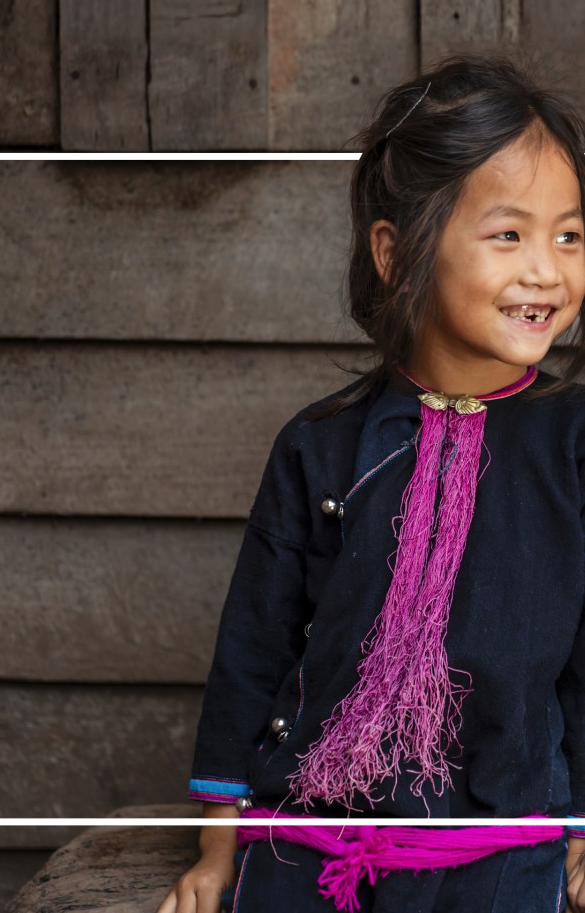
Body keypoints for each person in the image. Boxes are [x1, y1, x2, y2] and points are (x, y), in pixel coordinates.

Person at [157, 54, 585, 912]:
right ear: (396, 253)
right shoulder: (320, 446)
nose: (546, 270)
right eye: (508, 234)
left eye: (569, 235)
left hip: (502, 854)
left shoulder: (569, 444)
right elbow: (254, 652)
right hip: (306, 853)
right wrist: (216, 850)